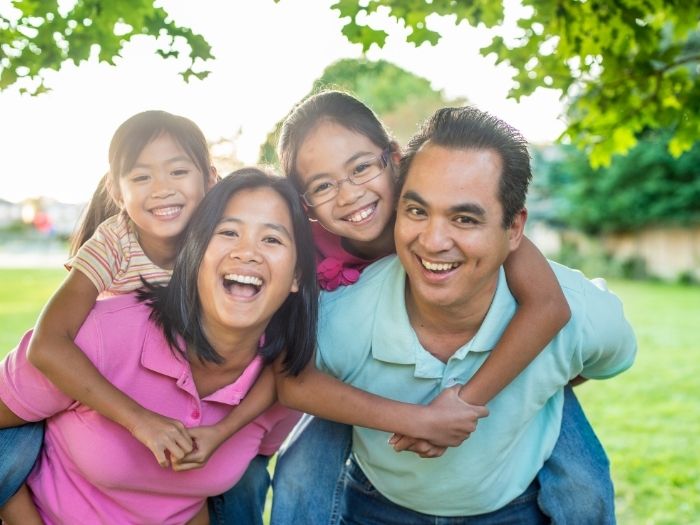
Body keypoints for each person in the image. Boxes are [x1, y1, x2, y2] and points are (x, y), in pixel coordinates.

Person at [266, 90, 615, 525]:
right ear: (305, 203)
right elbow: (292, 378)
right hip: (358, 377)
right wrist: (419, 420)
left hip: (502, 361)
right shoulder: (304, 251)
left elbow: (548, 307)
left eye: (360, 168)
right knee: (299, 477)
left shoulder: (445, 202)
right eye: (322, 185)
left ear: (393, 158)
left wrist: (466, 404)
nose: (350, 194)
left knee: (585, 485)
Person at [0, 169, 318, 523]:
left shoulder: (280, 387)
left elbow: (199, 499)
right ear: (194, 254)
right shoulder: (103, 333)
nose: (247, 253)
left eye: (272, 240)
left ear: (297, 276)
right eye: (228, 232)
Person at [0, 109, 218, 520]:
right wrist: (140, 421)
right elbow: (48, 344)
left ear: (209, 179)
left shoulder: (218, 239)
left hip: (161, 389)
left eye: (177, 171)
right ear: (117, 193)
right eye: (141, 177)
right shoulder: (117, 240)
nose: (161, 189)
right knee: (17, 450)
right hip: (76, 387)